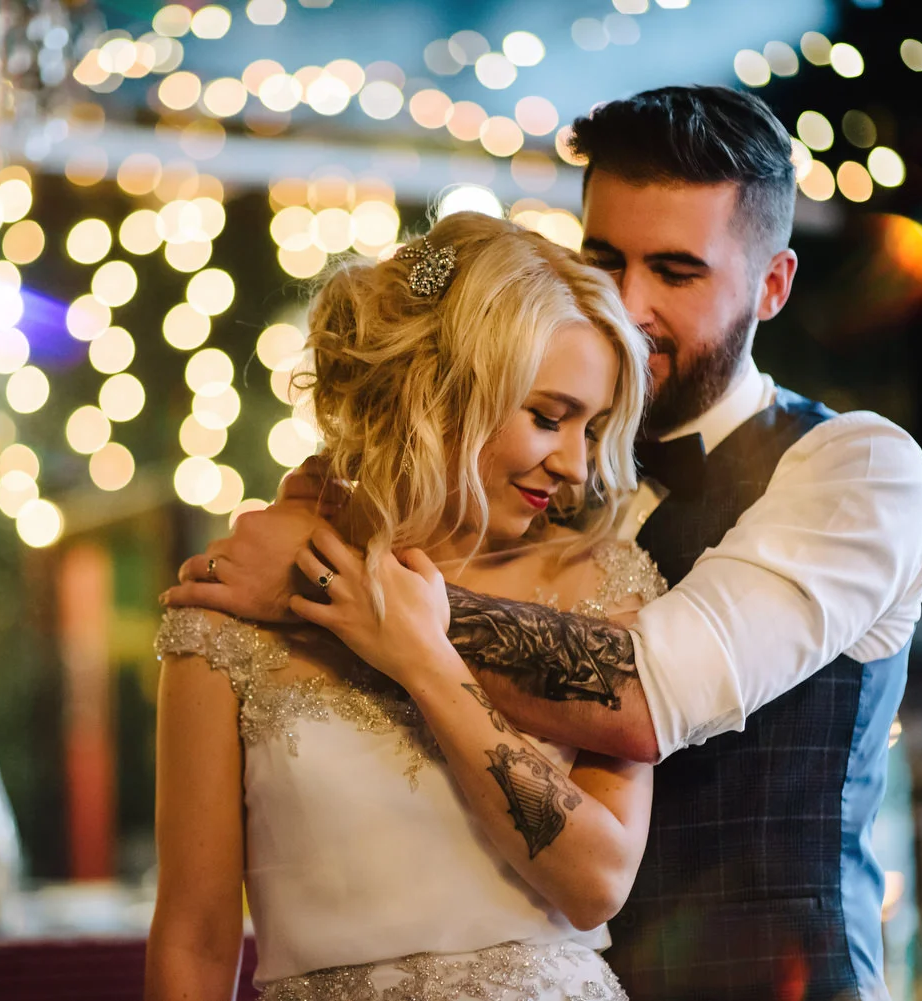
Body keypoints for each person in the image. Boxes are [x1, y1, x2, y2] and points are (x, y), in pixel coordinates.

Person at [164, 86, 922, 1001]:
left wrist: (332, 586)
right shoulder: (526, 484)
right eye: (605, 258)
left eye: (677, 272)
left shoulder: (856, 468)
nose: (631, 304)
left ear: (772, 285)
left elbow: (647, 691)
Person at [145, 212, 666, 1000]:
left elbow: (597, 882)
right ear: (443, 389)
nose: (576, 463)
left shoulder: (599, 586)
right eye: (548, 416)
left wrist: (423, 656)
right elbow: (195, 934)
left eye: (592, 427)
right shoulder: (233, 601)